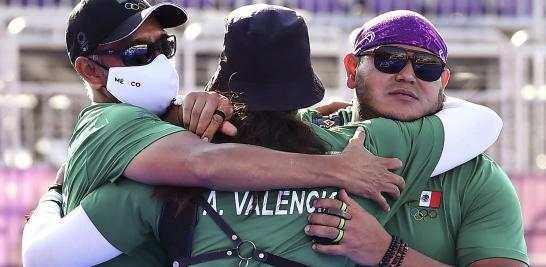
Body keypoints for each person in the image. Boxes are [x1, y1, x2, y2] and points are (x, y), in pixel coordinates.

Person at [22, 5, 504, 267]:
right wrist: (334, 159)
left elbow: (45, 257)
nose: (407, 76)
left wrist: (55, 192)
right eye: (391, 62)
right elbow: (481, 121)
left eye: (162, 46)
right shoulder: (365, 151)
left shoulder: (155, 171)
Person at [58, 0, 406, 218]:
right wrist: (338, 169)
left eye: (164, 44)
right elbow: (204, 164)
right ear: (90, 71)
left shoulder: (138, 120)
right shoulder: (112, 122)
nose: (159, 59)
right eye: (139, 53)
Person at [304, 10, 528, 266]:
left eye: (427, 67)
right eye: (389, 59)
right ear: (353, 69)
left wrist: (385, 252)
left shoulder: (476, 177)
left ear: (442, 83)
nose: (408, 75)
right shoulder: (301, 137)